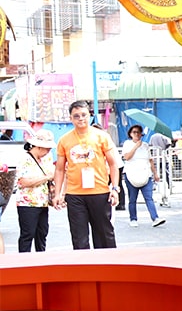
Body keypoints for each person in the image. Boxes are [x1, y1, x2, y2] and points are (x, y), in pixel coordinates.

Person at [52, 100, 121, 249]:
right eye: (76, 116)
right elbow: (59, 169)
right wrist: (57, 194)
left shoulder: (101, 136)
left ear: (89, 115)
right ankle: (84, 269)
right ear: (71, 118)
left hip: (100, 192)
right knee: (79, 238)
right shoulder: (64, 140)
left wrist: (115, 188)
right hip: (74, 194)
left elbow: (113, 164)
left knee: (104, 235)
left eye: (84, 115)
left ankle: (108, 267)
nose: (81, 119)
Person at [16, 129, 56, 252]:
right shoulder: (25, 159)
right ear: (38, 147)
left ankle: (41, 260)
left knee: (42, 233)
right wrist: (46, 177)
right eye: (47, 149)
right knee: (27, 234)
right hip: (27, 204)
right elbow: (23, 182)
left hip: (42, 203)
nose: (49, 152)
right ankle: (23, 262)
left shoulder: (46, 159)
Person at [121, 125, 165, 228]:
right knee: (132, 199)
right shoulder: (127, 144)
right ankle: (133, 218)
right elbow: (127, 157)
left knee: (149, 198)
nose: (136, 134)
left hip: (145, 174)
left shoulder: (145, 145)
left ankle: (155, 218)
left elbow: (150, 160)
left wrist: (155, 173)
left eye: (138, 132)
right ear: (130, 134)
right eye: (134, 132)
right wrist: (135, 147)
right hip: (131, 174)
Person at [149, 131, 173, 207]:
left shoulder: (152, 137)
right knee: (166, 172)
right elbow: (169, 144)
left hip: (155, 157)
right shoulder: (164, 136)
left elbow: (150, 146)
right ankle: (169, 184)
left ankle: (154, 185)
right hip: (164, 157)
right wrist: (165, 149)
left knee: (155, 172)